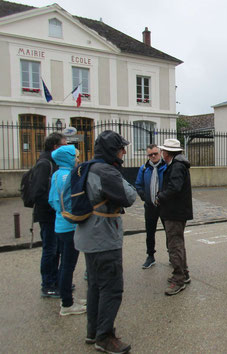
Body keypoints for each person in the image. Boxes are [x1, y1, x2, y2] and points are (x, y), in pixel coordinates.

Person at [74, 130, 136, 353]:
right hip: (104, 238)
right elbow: (129, 196)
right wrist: (120, 177)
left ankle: (93, 331)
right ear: (113, 151)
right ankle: (105, 337)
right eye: (121, 148)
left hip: (86, 236)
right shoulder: (107, 171)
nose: (124, 152)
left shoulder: (84, 167)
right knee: (112, 288)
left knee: (95, 286)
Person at [48, 145, 86, 316]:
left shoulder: (56, 175)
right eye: (75, 156)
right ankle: (67, 304)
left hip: (59, 223)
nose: (77, 159)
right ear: (69, 158)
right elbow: (77, 200)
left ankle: (67, 298)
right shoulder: (71, 175)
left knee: (64, 264)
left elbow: (51, 200)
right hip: (71, 225)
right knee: (68, 266)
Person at [31, 132, 67, 298]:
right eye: (64, 144)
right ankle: (48, 284)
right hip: (48, 215)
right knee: (50, 250)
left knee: (57, 249)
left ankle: (57, 281)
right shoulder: (45, 164)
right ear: (56, 147)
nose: (66, 147)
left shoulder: (53, 162)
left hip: (55, 214)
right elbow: (38, 192)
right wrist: (55, 203)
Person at [156, 139, 193, 296]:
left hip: (174, 212)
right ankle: (183, 273)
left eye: (163, 151)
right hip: (177, 211)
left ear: (166, 153)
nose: (161, 154)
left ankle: (178, 278)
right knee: (178, 243)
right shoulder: (178, 165)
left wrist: (160, 196)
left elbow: (174, 188)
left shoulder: (176, 166)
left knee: (174, 245)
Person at [135, 144, 167, 269]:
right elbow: (138, 185)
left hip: (164, 206)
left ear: (160, 153)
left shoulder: (166, 167)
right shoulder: (144, 168)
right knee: (150, 233)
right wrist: (145, 197)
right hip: (150, 206)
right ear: (147, 155)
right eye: (150, 154)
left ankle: (171, 254)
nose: (153, 156)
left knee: (168, 231)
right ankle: (150, 256)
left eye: (155, 153)